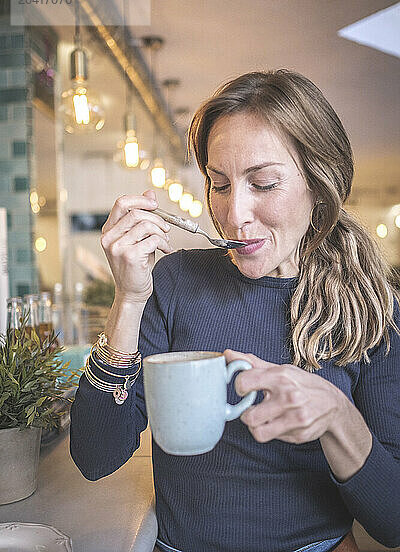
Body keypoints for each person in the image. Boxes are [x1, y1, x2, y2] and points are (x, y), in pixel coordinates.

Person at [70, 69, 400, 552]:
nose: (233, 214)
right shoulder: (174, 282)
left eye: (263, 184)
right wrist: (129, 299)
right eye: (219, 184)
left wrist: (337, 416)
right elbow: (95, 456)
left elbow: (391, 521)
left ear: (320, 182)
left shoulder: (373, 307)